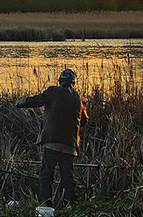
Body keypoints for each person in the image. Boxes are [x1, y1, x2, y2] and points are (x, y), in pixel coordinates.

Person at [16, 68, 89, 205]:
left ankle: (45, 206)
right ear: (73, 83)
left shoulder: (53, 91)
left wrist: (19, 102)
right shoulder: (78, 98)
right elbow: (84, 120)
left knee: (46, 176)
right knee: (68, 178)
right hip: (70, 146)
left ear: (60, 81)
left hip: (52, 142)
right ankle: (69, 206)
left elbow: (34, 101)